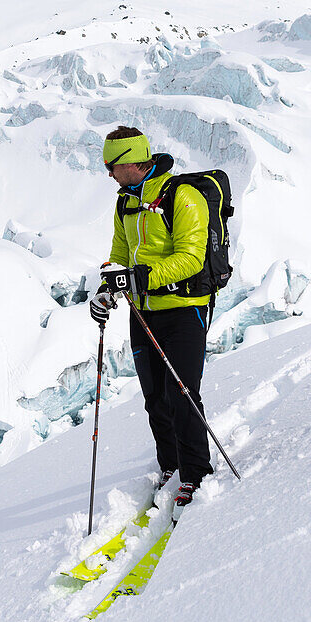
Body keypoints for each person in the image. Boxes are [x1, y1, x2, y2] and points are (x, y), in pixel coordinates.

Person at [90, 126, 214, 510]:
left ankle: (196, 473)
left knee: (183, 395)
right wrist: (108, 288)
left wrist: (140, 278)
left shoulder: (183, 196)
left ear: (130, 162)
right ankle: (170, 464)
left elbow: (191, 258)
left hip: (184, 310)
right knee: (155, 399)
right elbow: (119, 253)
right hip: (143, 313)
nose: (108, 173)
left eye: (112, 165)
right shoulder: (124, 202)